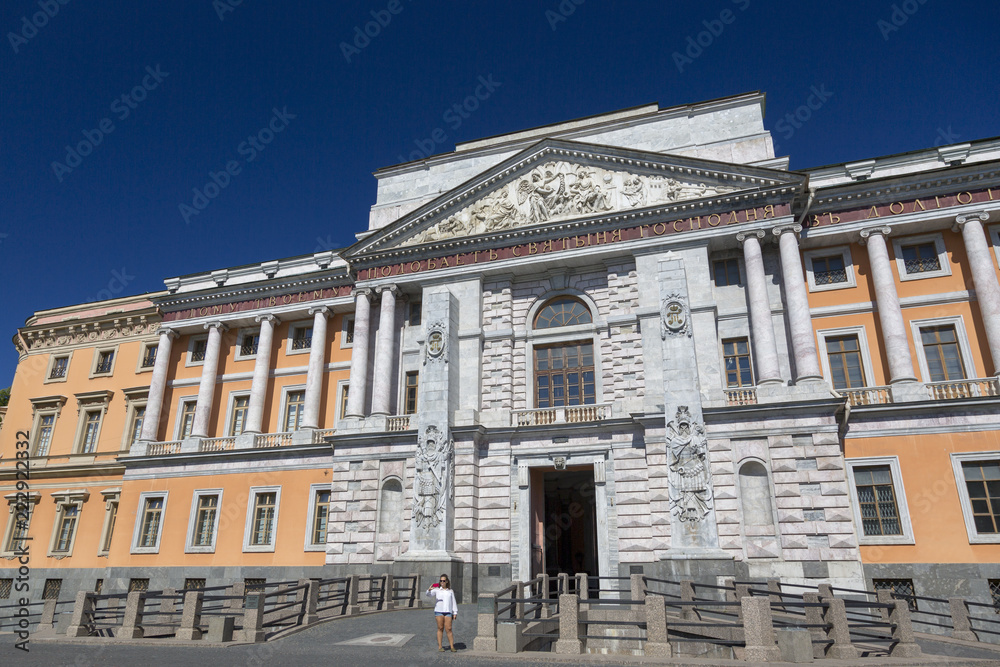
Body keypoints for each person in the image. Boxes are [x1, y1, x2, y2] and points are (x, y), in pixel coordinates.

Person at [426, 574, 458, 652]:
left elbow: (453, 602)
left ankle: (452, 646)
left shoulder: (450, 591)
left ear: (447, 581)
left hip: (448, 611)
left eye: (444, 581)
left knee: (449, 629)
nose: (442, 582)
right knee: (440, 628)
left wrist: (455, 612)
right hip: (439, 611)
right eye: (441, 581)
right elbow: (428, 595)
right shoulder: (437, 590)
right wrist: (429, 589)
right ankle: (440, 646)